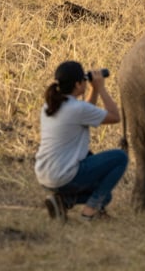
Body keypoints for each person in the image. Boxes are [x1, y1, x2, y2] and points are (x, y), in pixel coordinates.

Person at [35, 60, 127, 222]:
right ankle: (90, 211)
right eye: (84, 80)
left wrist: (93, 91)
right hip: (65, 176)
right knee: (120, 157)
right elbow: (115, 117)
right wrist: (101, 89)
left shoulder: (50, 105)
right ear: (78, 84)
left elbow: (85, 113)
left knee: (105, 196)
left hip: (45, 175)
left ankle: (62, 201)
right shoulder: (77, 109)